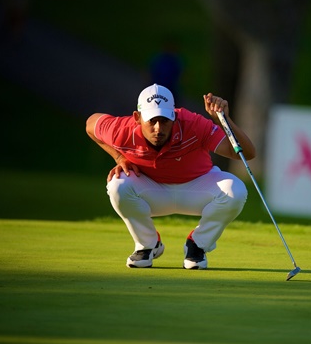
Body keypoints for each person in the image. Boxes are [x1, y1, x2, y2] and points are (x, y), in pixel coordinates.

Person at [86, 84, 256, 270]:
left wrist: (224, 120)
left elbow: (246, 153)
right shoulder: (122, 130)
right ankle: (147, 245)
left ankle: (197, 245)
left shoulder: (193, 124)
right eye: (152, 120)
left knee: (235, 190)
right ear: (137, 118)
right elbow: (91, 124)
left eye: (165, 120)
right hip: (151, 189)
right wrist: (119, 157)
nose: (158, 128)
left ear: (174, 115)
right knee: (117, 185)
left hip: (197, 187)